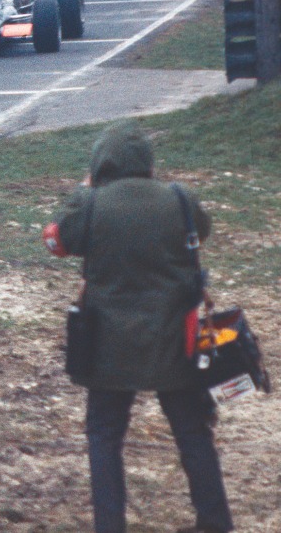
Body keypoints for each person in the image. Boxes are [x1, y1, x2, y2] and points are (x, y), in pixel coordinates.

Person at [42, 124, 232, 533]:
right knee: (193, 431)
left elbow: (55, 243)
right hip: (175, 337)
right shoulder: (179, 199)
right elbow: (204, 230)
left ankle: (110, 526)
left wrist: (81, 190)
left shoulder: (91, 204)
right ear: (147, 163)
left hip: (108, 344)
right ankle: (215, 521)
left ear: (101, 163)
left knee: (105, 436)